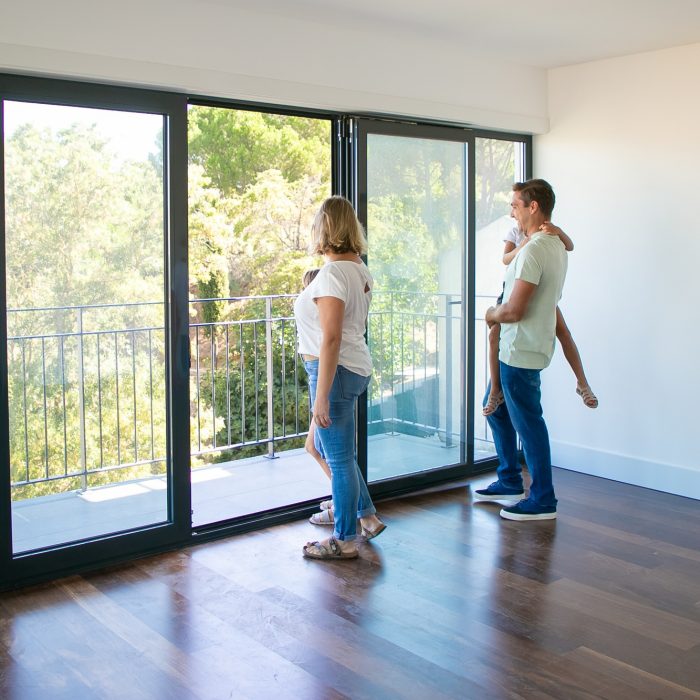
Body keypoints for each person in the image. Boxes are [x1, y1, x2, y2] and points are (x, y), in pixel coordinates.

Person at [294, 196, 386, 559]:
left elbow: (330, 338)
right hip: (351, 367)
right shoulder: (358, 269)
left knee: (338, 460)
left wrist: (321, 397)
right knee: (337, 454)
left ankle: (343, 539)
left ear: (325, 228)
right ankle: (367, 517)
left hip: (334, 371)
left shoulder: (333, 274)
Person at [476, 179, 567, 521]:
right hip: (520, 349)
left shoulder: (535, 250)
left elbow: (514, 310)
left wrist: (490, 313)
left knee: (529, 425)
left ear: (533, 207)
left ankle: (543, 498)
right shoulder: (554, 244)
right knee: (497, 411)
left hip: (520, 351)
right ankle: (509, 480)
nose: (511, 210)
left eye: (515, 204)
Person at [483, 223, 598, 416]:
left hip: (540, 294)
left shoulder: (546, 232)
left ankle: (582, 382)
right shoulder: (515, 232)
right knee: (494, 334)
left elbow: (570, 246)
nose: (514, 213)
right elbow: (505, 258)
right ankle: (495, 389)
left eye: (516, 207)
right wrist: (525, 245)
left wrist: (559, 231)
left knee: (564, 333)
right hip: (512, 292)